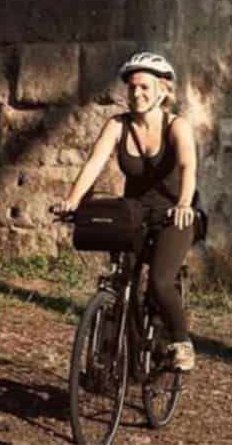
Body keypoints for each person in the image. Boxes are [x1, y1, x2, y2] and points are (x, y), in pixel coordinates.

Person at [56, 51, 198, 372]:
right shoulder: (117, 125)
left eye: (145, 87)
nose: (137, 94)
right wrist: (73, 200)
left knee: (160, 281)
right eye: (132, 88)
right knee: (122, 281)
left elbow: (188, 165)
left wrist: (185, 203)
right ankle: (118, 357)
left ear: (163, 90)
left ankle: (181, 341)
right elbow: (94, 163)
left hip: (174, 214)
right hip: (134, 213)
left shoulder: (176, 125)